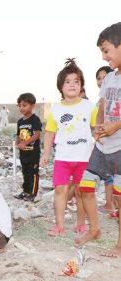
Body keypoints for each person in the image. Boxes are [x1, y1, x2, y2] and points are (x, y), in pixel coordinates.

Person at [40, 59, 98, 237]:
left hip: (84, 158)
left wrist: (95, 144)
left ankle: (81, 223)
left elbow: (97, 129)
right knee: (60, 189)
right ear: (60, 86)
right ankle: (59, 225)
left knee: (82, 192)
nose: (72, 85)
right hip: (63, 158)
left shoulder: (90, 106)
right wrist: (46, 153)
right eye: (67, 81)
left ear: (81, 85)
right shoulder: (56, 109)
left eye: (76, 81)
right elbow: (49, 133)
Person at [77, 22, 121, 254]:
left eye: (106, 50)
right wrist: (99, 127)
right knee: (85, 186)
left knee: (119, 198)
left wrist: (117, 125)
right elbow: (102, 106)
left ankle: (120, 244)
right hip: (103, 146)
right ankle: (95, 229)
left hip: (120, 148)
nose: (104, 57)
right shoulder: (110, 79)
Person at [95, 65, 118, 217]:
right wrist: (97, 131)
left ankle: (111, 205)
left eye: (104, 77)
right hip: (106, 143)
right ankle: (113, 206)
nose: (101, 81)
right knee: (111, 177)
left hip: (116, 144)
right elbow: (100, 115)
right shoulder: (101, 101)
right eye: (98, 78)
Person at [13, 93, 42, 202]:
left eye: (24, 105)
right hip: (23, 153)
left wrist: (25, 143)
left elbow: (37, 134)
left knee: (33, 172)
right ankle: (25, 191)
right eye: (19, 105)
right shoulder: (20, 122)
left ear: (32, 106)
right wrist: (18, 144)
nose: (21, 108)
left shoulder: (35, 119)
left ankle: (33, 194)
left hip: (33, 152)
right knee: (25, 172)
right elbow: (18, 135)